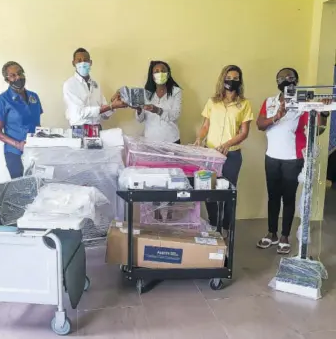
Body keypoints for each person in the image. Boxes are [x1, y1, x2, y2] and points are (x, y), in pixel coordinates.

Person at [256, 68, 330, 254]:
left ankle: (284, 236)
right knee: (273, 197)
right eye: (282, 77)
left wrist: (324, 112)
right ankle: (271, 233)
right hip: (271, 157)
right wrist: (276, 117)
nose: (286, 80)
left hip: (293, 159)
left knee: (288, 198)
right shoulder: (270, 101)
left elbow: (318, 128)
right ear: (277, 81)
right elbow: (259, 124)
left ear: (296, 81)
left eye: (291, 77)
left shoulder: (304, 104)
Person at [195, 65, 253, 237]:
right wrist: (200, 138)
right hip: (210, 154)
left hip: (232, 155)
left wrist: (227, 144)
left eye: (236, 78)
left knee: (228, 191)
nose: (232, 81)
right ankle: (214, 225)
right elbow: (206, 125)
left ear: (240, 81)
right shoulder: (213, 102)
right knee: (209, 190)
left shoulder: (244, 104)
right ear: (223, 79)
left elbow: (244, 133)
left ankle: (226, 228)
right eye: (229, 77)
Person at [0, 61, 43, 179]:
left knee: (40, 183)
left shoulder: (34, 96)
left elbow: (37, 123)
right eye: (13, 75)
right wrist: (17, 144)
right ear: (7, 80)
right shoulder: (2, 100)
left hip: (35, 150)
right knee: (21, 187)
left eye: (20, 73)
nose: (18, 77)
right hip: (15, 152)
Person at [63, 48, 126, 129]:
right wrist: (110, 106)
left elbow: (105, 115)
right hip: (79, 130)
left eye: (86, 60)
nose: (83, 63)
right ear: (73, 63)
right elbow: (80, 112)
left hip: (97, 130)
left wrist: (114, 104)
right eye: (79, 61)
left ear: (90, 62)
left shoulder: (96, 84)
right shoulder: (70, 84)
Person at [135, 60, 182, 144]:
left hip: (171, 140)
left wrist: (158, 111)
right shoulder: (145, 93)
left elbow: (175, 115)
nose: (160, 74)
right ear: (152, 76)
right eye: (156, 71)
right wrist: (139, 110)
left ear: (168, 74)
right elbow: (140, 119)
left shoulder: (176, 91)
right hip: (150, 141)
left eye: (163, 71)